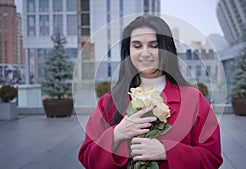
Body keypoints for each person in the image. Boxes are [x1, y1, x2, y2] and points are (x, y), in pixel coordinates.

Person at [78, 14, 223, 169]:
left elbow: (211, 158)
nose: (145, 53)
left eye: (154, 45)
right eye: (137, 45)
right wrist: (116, 134)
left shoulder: (193, 99)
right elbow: (88, 159)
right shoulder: (108, 102)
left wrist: (167, 152)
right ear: (128, 51)